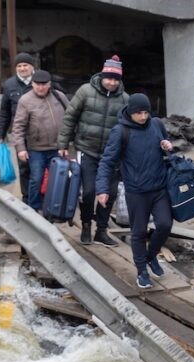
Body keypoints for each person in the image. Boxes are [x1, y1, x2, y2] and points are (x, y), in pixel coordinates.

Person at [95, 93, 174, 289]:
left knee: (164, 224)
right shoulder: (120, 131)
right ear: (130, 112)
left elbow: (166, 147)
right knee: (138, 232)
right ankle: (142, 271)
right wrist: (102, 189)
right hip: (136, 191)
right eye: (139, 113)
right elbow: (106, 162)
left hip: (159, 187)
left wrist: (168, 146)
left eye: (146, 112)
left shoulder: (156, 124)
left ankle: (151, 256)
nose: (143, 116)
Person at [58, 55, 130, 247]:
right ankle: (86, 225)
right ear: (102, 76)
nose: (112, 82)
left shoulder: (125, 99)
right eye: (109, 78)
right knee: (88, 191)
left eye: (116, 79)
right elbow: (69, 118)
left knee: (110, 193)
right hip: (86, 149)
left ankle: (101, 230)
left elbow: (129, 128)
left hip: (111, 154)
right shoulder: (85, 91)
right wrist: (63, 144)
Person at [10, 69, 70, 211]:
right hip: (36, 149)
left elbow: (70, 118)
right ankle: (34, 209)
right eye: (37, 84)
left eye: (44, 84)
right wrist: (20, 148)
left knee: (58, 180)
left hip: (58, 147)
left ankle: (55, 209)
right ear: (32, 84)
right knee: (36, 180)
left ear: (49, 84)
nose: (41, 87)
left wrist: (67, 143)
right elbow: (18, 126)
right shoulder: (25, 100)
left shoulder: (59, 96)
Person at [0, 52, 37, 205]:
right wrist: (1, 133)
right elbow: (5, 112)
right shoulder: (9, 85)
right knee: (24, 167)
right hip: (20, 133)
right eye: (19, 66)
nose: (22, 68)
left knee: (40, 167)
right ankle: (27, 198)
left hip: (40, 133)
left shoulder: (40, 81)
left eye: (25, 65)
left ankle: (41, 196)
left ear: (32, 66)